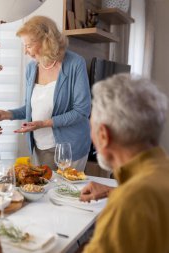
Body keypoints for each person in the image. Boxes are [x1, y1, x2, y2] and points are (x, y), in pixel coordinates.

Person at [81, 73, 169, 253]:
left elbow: (137, 200)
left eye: (92, 129)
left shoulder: (128, 202)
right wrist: (111, 190)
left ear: (104, 136)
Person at [0, 16, 91, 171]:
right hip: (40, 146)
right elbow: (33, 108)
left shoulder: (75, 64)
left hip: (69, 148)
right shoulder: (32, 68)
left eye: (29, 46)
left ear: (46, 42)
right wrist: (6, 114)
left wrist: (43, 123)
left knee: (66, 193)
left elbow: (81, 111)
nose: (26, 52)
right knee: (43, 191)